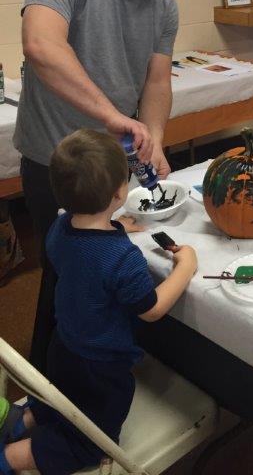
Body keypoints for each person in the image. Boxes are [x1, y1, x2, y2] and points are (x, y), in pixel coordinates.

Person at [13, 0, 195, 370]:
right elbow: (40, 45)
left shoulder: (163, 4)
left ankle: (109, 359)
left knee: (113, 265)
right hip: (56, 162)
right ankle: (51, 381)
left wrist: (153, 136)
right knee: (66, 277)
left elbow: (156, 81)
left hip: (112, 164)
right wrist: (114, 117)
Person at [0, 129, 197, 475]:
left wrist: (112, 225)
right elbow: (151, 309)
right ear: (120, 193)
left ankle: (23, 419)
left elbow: (85, 248)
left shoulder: (60, 226)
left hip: (63, 345)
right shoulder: (122, 258)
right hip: (100, 366)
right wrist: (186, 265)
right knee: (90, 442)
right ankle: (12, 457)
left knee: (62, 397)